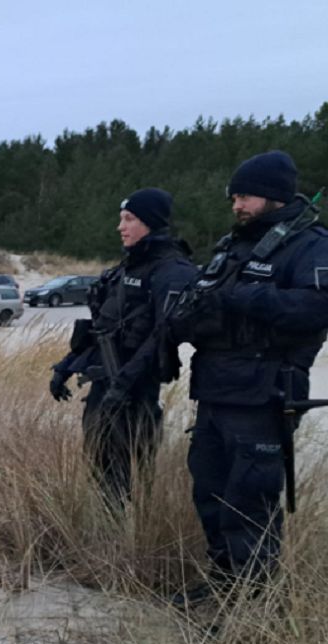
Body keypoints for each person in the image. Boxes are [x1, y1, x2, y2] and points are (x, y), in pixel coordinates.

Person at [169, 151, 328, 606]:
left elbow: (316, 307)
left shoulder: (309, 244)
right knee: (210, 492)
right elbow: (207, 300)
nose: (237, 204)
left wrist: (241, 299)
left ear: (275, 196)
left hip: (265, 395)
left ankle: (252, 604)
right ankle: (222, 585)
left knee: (249, 502)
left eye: (246, 196)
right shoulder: (232, 246)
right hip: (217, 391)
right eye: (234, 196)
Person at [50, 188, 197, 504]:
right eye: (121, 219)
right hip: (105, 387)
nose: (121, 227)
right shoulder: (124, 270)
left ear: (150, 223)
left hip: (136, 395)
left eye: (129, 219)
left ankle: (128, 543)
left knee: (128, 476)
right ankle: (107, 533)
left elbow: (164, 335)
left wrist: (124, 386)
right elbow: (100, 330)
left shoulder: (172, 271)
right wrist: (65, 366)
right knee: (100, 468)